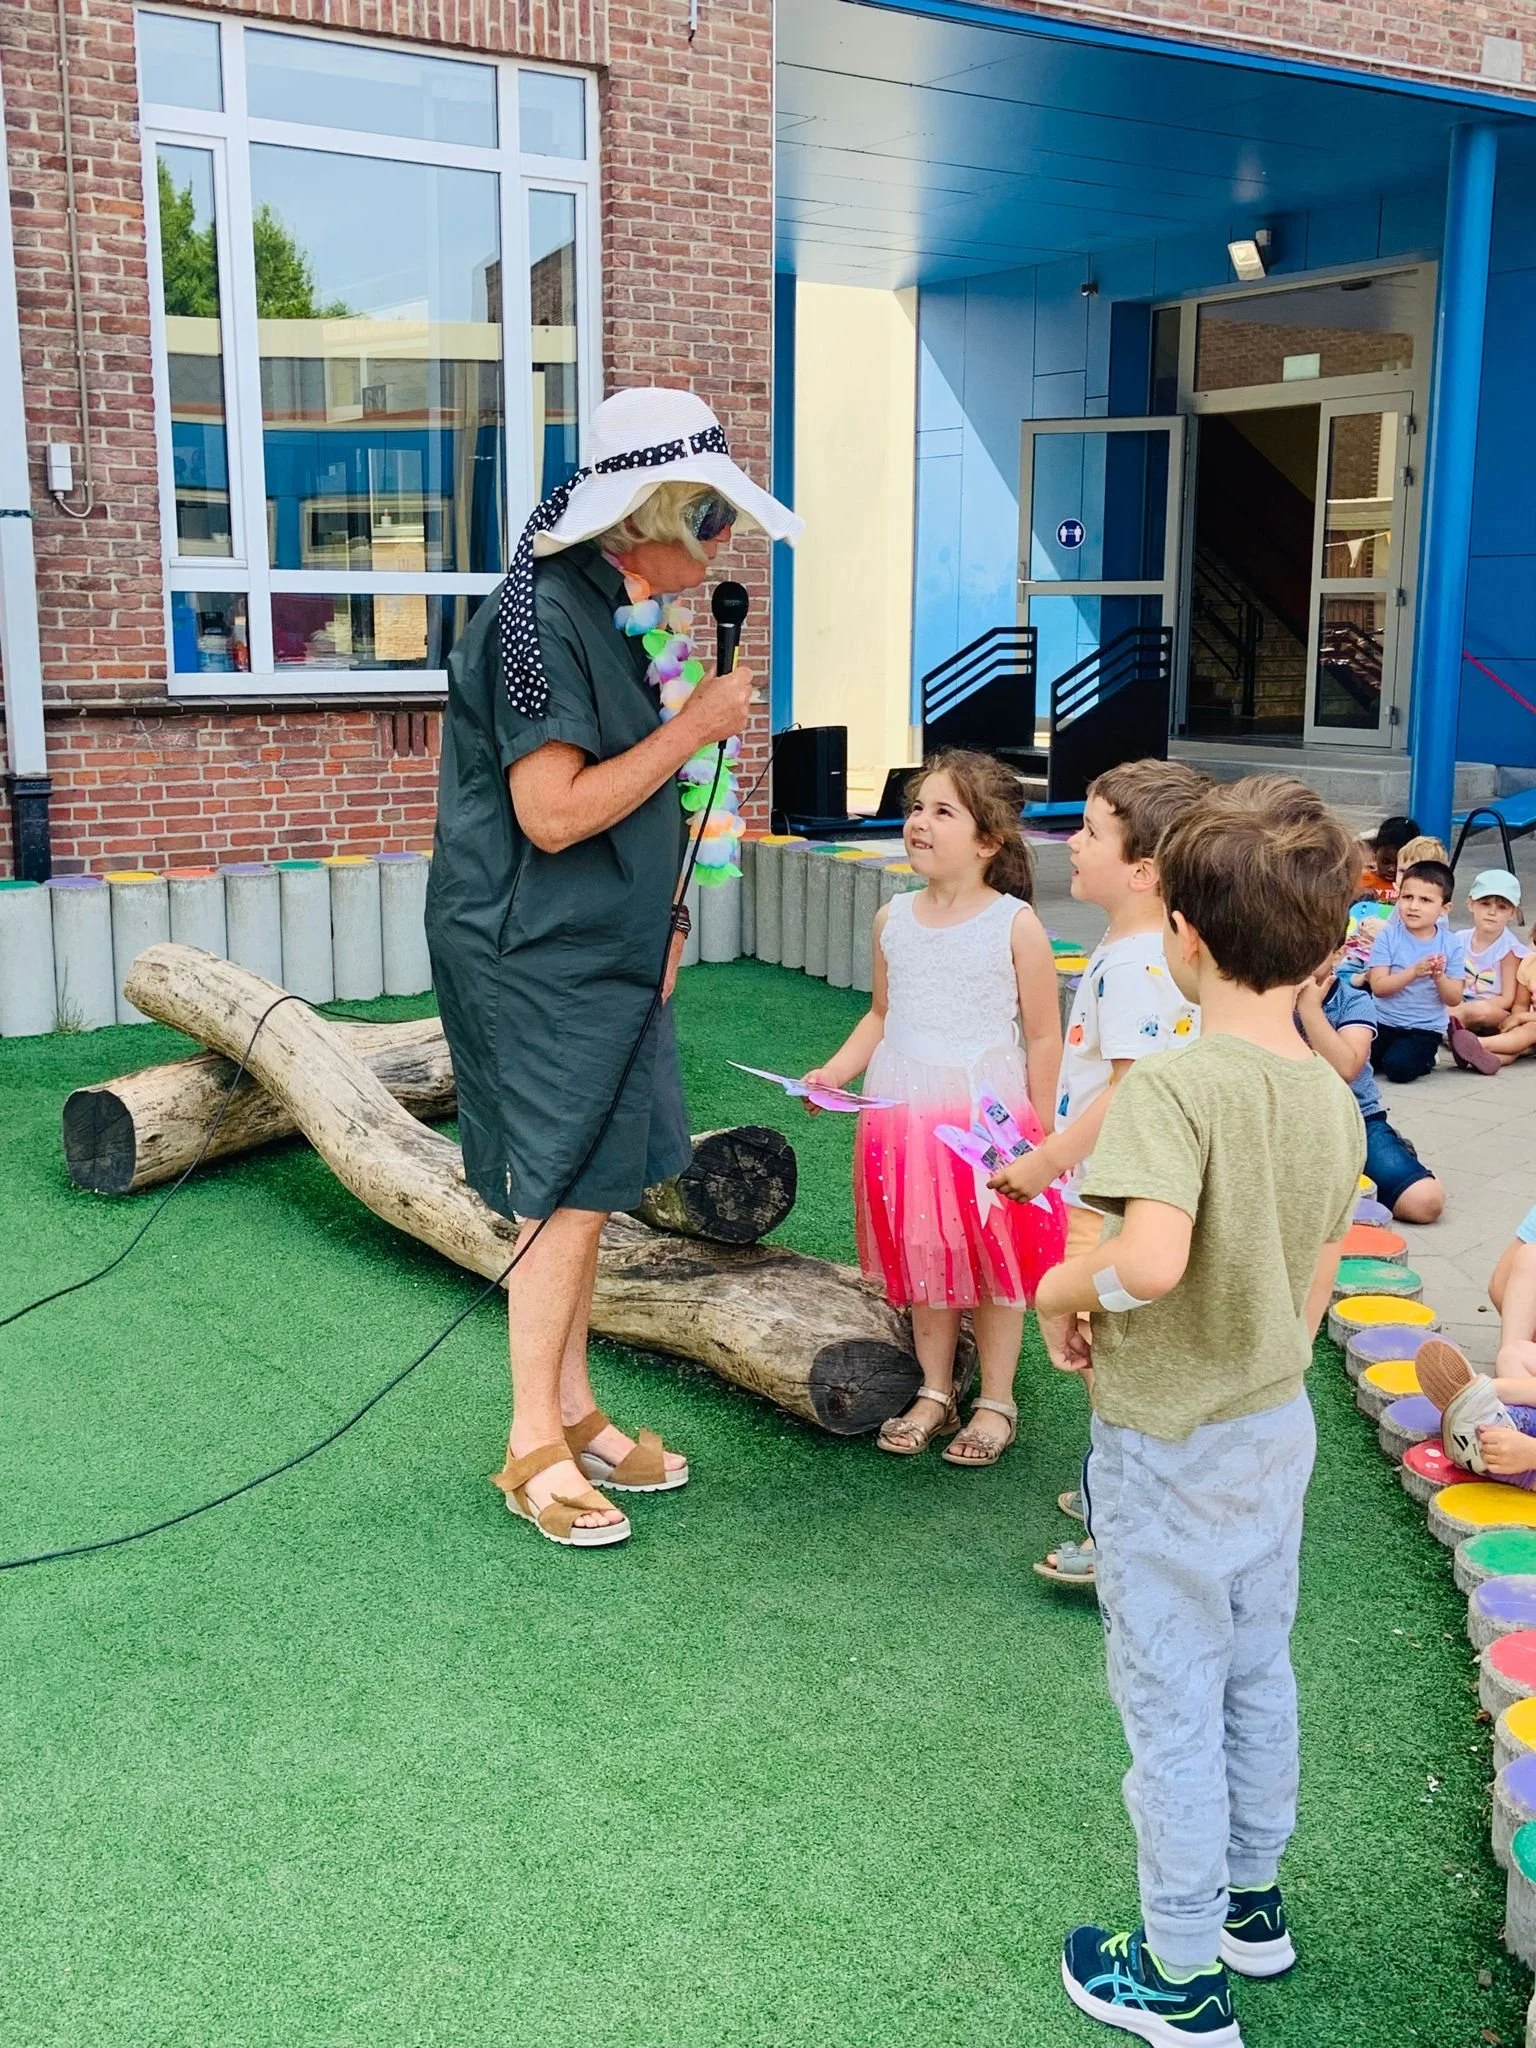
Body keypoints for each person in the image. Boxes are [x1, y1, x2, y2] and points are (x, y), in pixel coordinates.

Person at [425, 387, 801, 1549]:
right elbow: (550, 814)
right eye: (712, 516)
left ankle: (575, 1408)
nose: (723, 542)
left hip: (611, 949)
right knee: (562, 1193)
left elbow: (640, 804)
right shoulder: (540, 621)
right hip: (537, 957)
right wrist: (698, 726)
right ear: (649, 514)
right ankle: (531, 1440)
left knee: (593, 1188)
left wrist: (667, 921)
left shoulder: (618, 610)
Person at [1035, 776, 1364, 2044]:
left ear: (1182, 931)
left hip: (1168, 1440)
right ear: (1325, 946)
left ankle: (1176, 1971)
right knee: (1257, 1668)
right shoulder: (1329, 1094)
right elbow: (1317, 1278)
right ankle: (1250, 1903)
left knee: (1171, 1699)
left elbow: (1152, 1261)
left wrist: (1065, 1287)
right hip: (1274, 1427)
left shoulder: (1175, 1086)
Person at [803, 750, 1066, 1468]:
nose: (920, 821)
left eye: (943, 811)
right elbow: (881, 1014)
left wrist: (1042, 1131)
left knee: (993, 1252)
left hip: (985, 1119)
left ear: (988, 841)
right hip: (905, 1117)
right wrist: (835, 1072)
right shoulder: (893, 918)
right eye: (917, 807)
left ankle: (997, 1401)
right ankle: (934, 1390)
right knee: (927, 1250)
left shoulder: (1014, 924)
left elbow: (1044, 1034)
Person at [986, 757, 1210, 1586]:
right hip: (1116, 1189)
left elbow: (1132, 1088)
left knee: (1112, 1363)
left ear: (1144, 870)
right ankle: (1115, 1491)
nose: (1071, 843)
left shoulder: (1140, 961)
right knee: (1111, 1358)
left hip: (1112, 1199)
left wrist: (1048, 1158)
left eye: (1089, 831)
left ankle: (1125, 1528)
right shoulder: (1140, 947)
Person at [1297, 944, 1444, 1224]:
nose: (1301, 951)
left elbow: (1347, 1068)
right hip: (1287, 1123)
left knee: (1425, 1202)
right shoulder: (1263, 997)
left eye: (1313, 942)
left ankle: (1387, 1151)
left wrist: (1309, 1009)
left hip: (1355, 1119)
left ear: (1338, 954)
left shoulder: (1352, 1000)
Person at [1364, 859, 1466, 1082]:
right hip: (1382, 1021)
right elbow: (1379, 987)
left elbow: (1454, 998)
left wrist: (1439, 977)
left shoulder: (1452, 944)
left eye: (1425, 900)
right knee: (1356, 1059)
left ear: (1444, 909)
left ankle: (1427, 1057)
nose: (1413, 906)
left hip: (1423, 1029)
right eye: (1407, 897)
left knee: (1398, 1068)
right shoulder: (1388, 936)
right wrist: (1414, 972)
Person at [1447, 869, 1526, 1063]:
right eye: (1485, 904)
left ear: (1512, 913)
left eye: (1502, 907)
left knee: (1479, 1010)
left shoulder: (1509, 949)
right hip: (1459, 1002)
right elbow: (1451, 979)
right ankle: (1468, 1044)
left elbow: (1507, 998)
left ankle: (1447, 1031)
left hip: (1492, 1011)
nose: (1492, 912)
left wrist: (1470, 1008)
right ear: (1471, 904)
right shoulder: (1459, 939)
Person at [1356, 813, 1419, 902]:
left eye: (1398, 864)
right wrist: (1358, 895)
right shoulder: (1362, 882)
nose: (1392, 869)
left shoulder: (1418, 886)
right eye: (1385, 861)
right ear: (1376, 853)